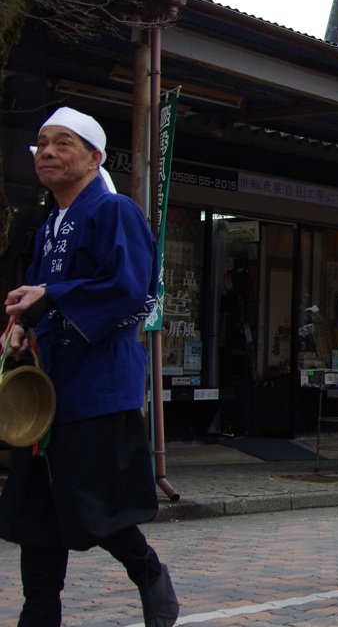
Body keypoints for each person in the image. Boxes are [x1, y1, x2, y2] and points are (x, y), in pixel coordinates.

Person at [0, 107, 178, 627]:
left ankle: (148, 571)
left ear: (94, 157)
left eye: (63, 144)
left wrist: (52, 295)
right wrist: (19, 327)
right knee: (37, 509)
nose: (48, 152)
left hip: (98, 384)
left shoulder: (114, 210)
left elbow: (130, 289)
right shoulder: (49, 224)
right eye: (42, 144)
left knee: (91, 503)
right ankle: (39, 612)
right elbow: (36, 299)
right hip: (47, 388)